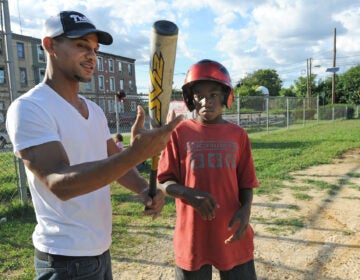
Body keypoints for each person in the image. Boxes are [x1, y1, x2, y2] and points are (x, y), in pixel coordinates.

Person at [6, 10, 182, 280]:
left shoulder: (94, 110)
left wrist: (144, 189)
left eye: (94, 49)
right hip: (64, 260)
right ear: (49, 45)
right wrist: (137, 153)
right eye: (80, 46)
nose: (91, 56)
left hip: (100, 252)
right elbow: (59, 183)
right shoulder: (30, 108)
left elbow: (117, 165)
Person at [157, 59, 259, 280]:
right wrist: (188, 193)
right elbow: (162, 182)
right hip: (193, 235)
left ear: (224, 96)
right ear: (190, 98)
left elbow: (246, 181)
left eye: (213, 94)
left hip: (232, 230)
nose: (206, 101)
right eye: (199, 95)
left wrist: (246, 209)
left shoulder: (238, 135)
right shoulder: (179, 132)